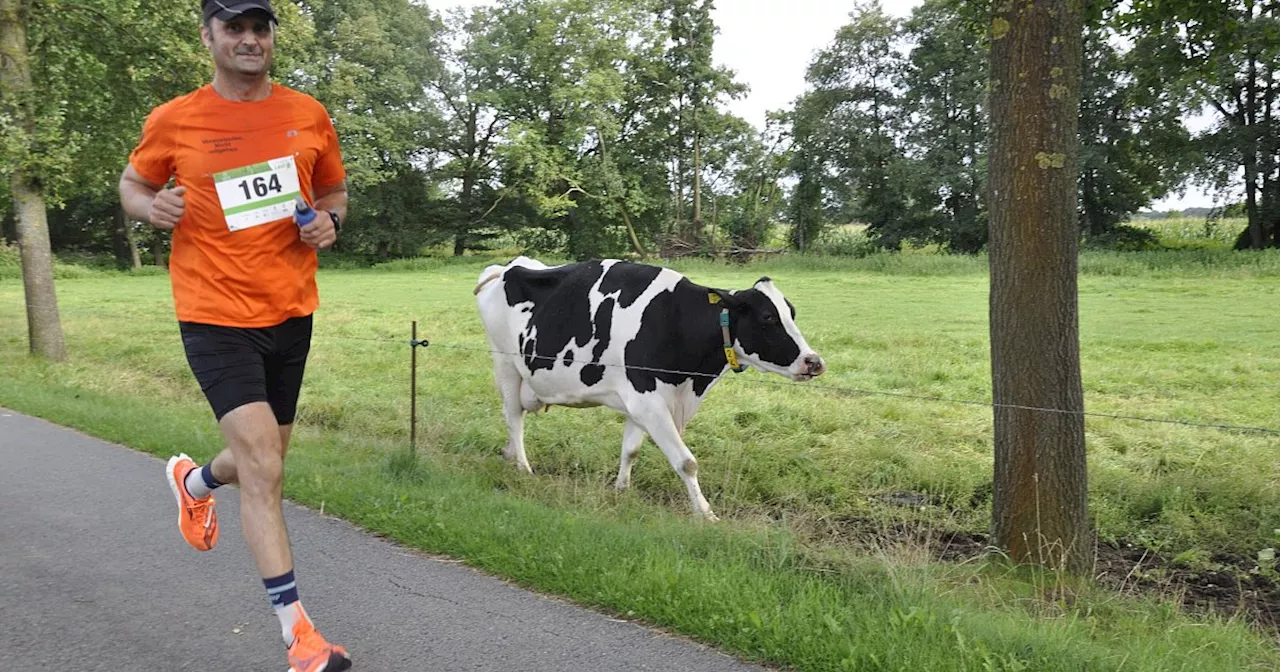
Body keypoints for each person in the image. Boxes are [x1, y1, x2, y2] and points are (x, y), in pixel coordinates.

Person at [118, 2, 350, 670]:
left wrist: (328, 225)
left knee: (263, 461)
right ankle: (298, 635)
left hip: (290, 311)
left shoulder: (308, 114)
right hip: (213, 312)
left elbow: (334, 194)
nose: (249, 39)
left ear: (272, 36)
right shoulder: (176, 118)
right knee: (265, 471)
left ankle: (193, 485)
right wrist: (150, 206)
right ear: (209, 36)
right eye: (234, 27)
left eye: (260, 27)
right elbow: (133, 183)